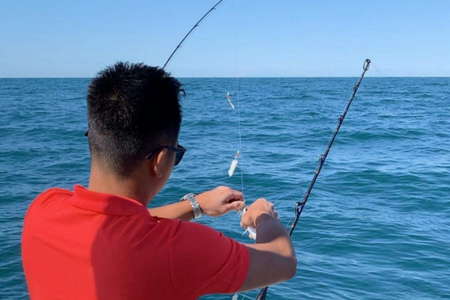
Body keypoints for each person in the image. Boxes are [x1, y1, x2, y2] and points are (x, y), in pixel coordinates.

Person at [22, 62, 297, 300]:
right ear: (161, 159)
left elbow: (113, 225)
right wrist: (263, 216)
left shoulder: (43, 209)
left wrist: (196, 205)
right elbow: (283, 262)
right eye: (177, 155)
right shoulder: (180, 249)